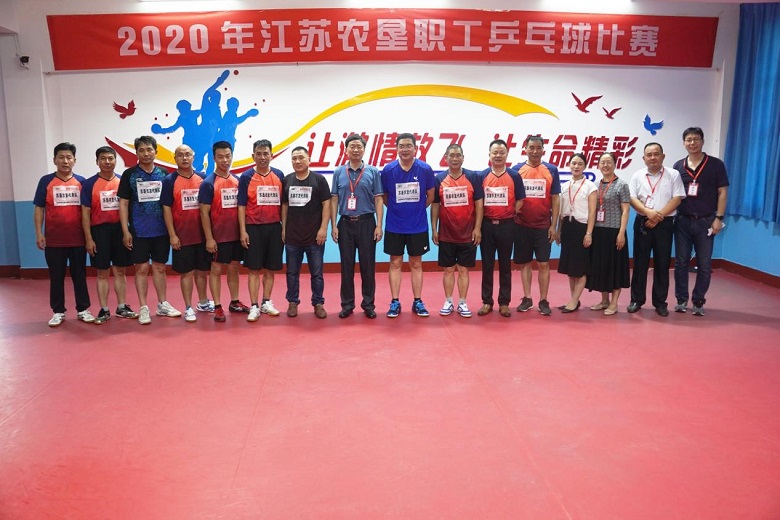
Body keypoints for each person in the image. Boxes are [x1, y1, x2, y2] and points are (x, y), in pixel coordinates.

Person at [118, 135, 181, 325]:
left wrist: (172, 231)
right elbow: (123, 204)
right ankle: (144, 307)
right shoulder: (129, 175)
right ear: (136, 153)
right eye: (142, 150)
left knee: (160, 267)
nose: (146, 153)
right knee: (142, 268)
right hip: (139, 230)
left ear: (156, 152)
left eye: (149, 149)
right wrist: (125, 231)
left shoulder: (164, 174)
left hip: (161, 230)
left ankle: (162, 304)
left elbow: (169, 204)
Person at [34, 142, 95, 326]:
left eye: (69, 157)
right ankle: (58, 311)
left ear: (74, 160)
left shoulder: (82, 182)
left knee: (79, 275)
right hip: (54, 240)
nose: (65, 161)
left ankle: (83, 309)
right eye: (61, 157)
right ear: (55, 160)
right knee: (56, 276)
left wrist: (89, 237)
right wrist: (39, 233)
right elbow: (39, 209)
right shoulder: (45, 181)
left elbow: (87, 211)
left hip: (78, 239)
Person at [672, 127, 729, 316]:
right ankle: (681, 299)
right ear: (684, 143)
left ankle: (698, 301)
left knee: (704, 264)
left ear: (702, 141)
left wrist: (718, 218)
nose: (692, 143)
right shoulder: (678, 166)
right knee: (681, 262)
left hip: (706, 221)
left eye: (696, 139)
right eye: (688, 140)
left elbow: (722, 192)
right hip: (683, 220)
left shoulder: (716, 165)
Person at [380, 133, 436, 318]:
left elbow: (430, 195)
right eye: (401, 146)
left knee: (416, 263)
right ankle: (395, 301)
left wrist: (417, 209)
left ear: (415, 148)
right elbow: (385, 197)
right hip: (394, 225)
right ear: (396, 149)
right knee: (395, 262)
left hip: (418, 226)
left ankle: (418, 301)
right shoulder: (388, 170)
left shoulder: (425, 169)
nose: (405, 149)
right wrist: (397, 210)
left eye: (408, 146)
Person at [628, 142, 686, 317]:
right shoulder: (637, 175)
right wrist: (648, 212)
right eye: (649, 155)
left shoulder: (673, 174)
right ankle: (636, 300)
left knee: (662, 263)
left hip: (665, 223)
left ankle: (660, 302)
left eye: (656, 154)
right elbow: (632, 198)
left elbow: (677, 198)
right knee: (640, 263)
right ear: (643, 158)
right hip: (642, 222)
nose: (652, 157)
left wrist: (658, 216)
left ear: (663, 156)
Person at [80, 146, 137, 324]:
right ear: (97, 162)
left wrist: (127, 232)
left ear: (115, 161)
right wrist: (89, 239)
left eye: (110, 158)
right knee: (102, 272)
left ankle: (122, 307)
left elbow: (128, 208)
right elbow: (85, 214)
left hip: (120, 230)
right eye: (103, 159)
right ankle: (104, 309)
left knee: (120, 271)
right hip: (99, 232)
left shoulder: (122, 181)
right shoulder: (89, 184)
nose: (107, 162)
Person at [330, 134, 384, 319]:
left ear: (364, 150)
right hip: (345, 223)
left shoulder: (373, 172)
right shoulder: (338, 172)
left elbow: (378, 198)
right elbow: (334, 199)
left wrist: (379, 225)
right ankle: (347, 304)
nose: (355, 150)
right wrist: (333, 225)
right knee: (346, 267)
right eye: (351, 146)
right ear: (345, 150)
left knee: (368, 266)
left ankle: (368, 304)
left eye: (359, 147)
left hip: (367, 223)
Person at [161, 144, 214, 323]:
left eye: (188, 154)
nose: (184, 158)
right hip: (182, 236)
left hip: (202, 235)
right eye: (180, 155)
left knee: (202, 272)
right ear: (175, 158)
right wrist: (172, 235)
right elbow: (166, 209)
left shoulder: (203, 179)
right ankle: (188, 307)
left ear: (193, 157)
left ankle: (203, 302)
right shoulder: (169, 181)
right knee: (187, 273)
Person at [199, 141, 250, 322]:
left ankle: (234, 302)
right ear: (214, 158)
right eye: (220, 157)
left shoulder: (237, 180)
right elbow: (204, 213)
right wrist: (209, 238)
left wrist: (243, 231)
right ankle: (218, 306)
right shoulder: (208, 183)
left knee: (234, 268)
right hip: (218, 237)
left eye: (228, 156)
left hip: (236, 235)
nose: (225, 160)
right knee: (216, 270)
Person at [431, 144, 484, 318]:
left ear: (463, 157)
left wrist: (477, 228)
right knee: (448, 270)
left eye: (458, 155)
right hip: (446, 234)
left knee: (463, 270)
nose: (454, 158)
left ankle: (462, 302)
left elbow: (479, 203)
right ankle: (448, 301)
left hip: (467, 233)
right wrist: (434, 228)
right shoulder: (439, 179)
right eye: (451, 155)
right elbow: (436, 205)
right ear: (446, 158)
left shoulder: (473, 177)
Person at [513, 135, 561, 316]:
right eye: (531, 147)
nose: (534, 151)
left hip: (543, 226)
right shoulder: (516, 170)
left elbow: (555, 198)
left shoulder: (551, 170)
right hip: (521, 225)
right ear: (525, 149)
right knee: (525, 263)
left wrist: (553, 225)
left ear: (543, 150)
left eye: (538, 148)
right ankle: (527, 298)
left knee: (543, 264)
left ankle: (543, 300)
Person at [238, 139, 285, 322]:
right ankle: (254, 305)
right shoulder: (246, 177)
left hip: (274, 228)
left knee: (270, 269)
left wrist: (284, 228)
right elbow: (241, 205)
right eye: (259, 154)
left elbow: (284, 205)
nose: (262, 157)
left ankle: (266, 301)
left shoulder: (279, 175)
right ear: (253, 156)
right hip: (253, 228)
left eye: (266, 153)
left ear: (271, 155)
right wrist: (243, 231)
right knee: (254, 269)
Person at [281, 146, 331, 318]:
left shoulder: (319, 180)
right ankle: (292, 302)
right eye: (294, 158)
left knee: (316, 273)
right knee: (292, 273)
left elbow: (327, 204)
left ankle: (318, 303)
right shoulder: (287, 180)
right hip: (292, 236)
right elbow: (284, 206)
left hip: (314, 237)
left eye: (301, 157)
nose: (297, 161)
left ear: (309, 159)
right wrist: (284, 228)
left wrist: (323, 228)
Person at [478, 139, 526, 317]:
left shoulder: (514, 176)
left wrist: (509, 213)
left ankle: (504, 302)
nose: (498, 155)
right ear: (489, 155)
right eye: (495, 152)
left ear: (507, 155)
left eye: (501, 152)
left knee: (505, 265)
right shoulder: (482, 176)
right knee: (487, 265)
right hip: (486, 226)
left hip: (507, 226)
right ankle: (487, 301)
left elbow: (520, 200)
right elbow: (478, 202)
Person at [586, 152, 631, 315]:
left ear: (615, 164)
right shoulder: (595, 186)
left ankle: (614, 303)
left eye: (608, 162)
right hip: (598, 231)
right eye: (602, 162)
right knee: (601, 267)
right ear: (598, 165)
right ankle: (604, 300)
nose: (605, 165)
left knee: (615, 267)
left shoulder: (622, 185)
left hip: (614, 232)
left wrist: (621, 232)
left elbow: (625, 211)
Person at [555, 153, 597, 313]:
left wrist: (589, 233)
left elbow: (592, 212)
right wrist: (559, 231)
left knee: (580, 268)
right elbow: (561, 212)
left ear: (585, 166)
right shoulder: (564, 186)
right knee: (571, 268)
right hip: (567, 227)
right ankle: (574, 300)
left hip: (581, 228)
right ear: (569, 165)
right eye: (573, 163)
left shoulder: (590, 186)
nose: (576, 166)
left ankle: (573, 302)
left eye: (580, 164)